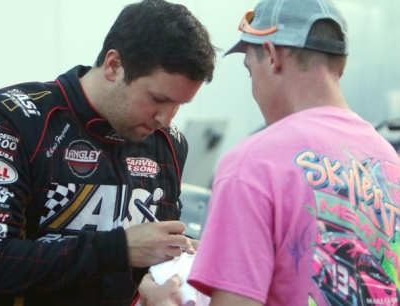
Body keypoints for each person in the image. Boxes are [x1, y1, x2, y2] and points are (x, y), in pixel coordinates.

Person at [0, 0, 216, 305]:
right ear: (114, 66)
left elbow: (153, 263)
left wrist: (180, 264)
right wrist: (119, 248)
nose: (166, 119)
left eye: (178, 105)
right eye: (158, 98)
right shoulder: (14, 119)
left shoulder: (168, 142)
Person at [139, 0, 400, 305]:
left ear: (273, 56)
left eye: (251, 70)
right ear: (338, 64)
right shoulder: (388, 161)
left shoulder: (253, 164)